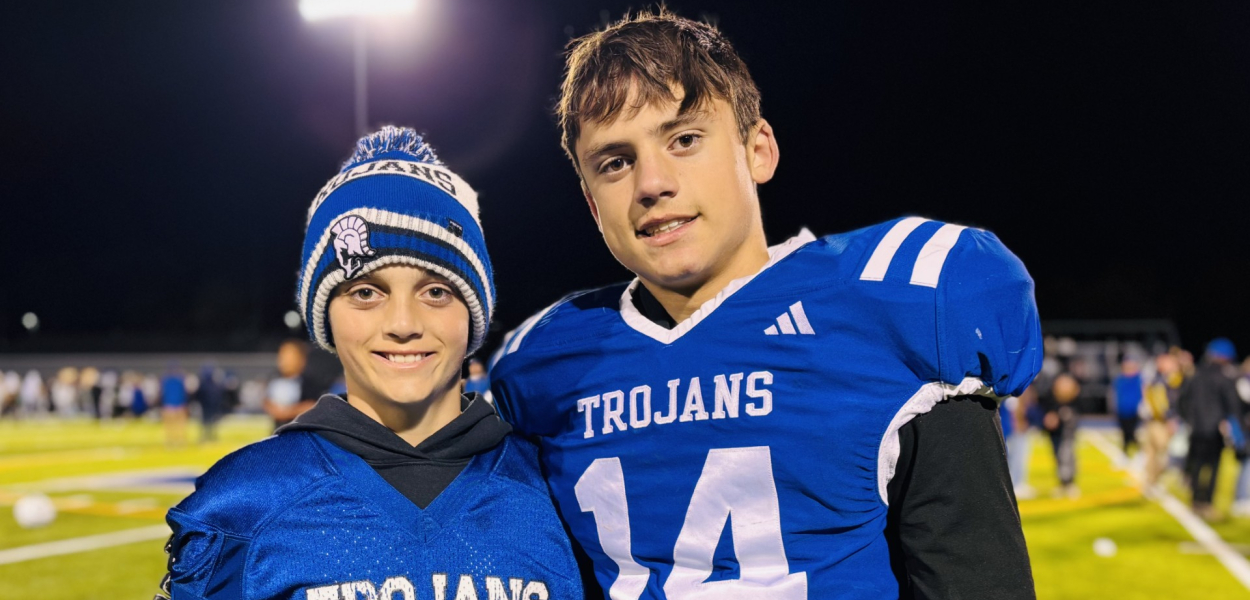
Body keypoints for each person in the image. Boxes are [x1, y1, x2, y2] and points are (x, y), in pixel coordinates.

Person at [490, 10, 1041, 599]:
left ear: (758, 151)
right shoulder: (543, 365)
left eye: (684, 139)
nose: (651, 183)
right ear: (593, 204)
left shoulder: (895, 309)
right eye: (615, 162)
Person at [157, 127, 582, 600]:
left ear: (473, 315)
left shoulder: (565, 489)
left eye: (436, 291)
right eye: (366, 292)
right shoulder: (243, 504)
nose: (402, 323)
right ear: (326, 319)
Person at [1178, 337, 1241, 520]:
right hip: (1216, 430)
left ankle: (1195, 501)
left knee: (1197, 465)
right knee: (1213, 468)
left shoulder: (1195, 375)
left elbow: (1183, 400)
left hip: (1196, 429)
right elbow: (1232, 405)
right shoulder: (1225, 377)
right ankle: (1207, 503)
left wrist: (1188, 419)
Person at [1039, 372, 1081, 498]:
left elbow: (1074, 414)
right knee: (1057, 455)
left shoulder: (1074, 397)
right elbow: (1046, 410)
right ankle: (1063, 483)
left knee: (1067, 454)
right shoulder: (1050, 396)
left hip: (1067, 431)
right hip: (1055, 432)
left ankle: (1069, 482)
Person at [1112, 357, 1145, 457]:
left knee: (1132, 433)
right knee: (1124, 433)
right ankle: (1125, 453)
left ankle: (1140, 452)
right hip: (1122, 411)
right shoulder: (1119, 379)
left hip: (1135, 411)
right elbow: (1115, 395)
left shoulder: (1139, 379)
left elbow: (1144, 392)